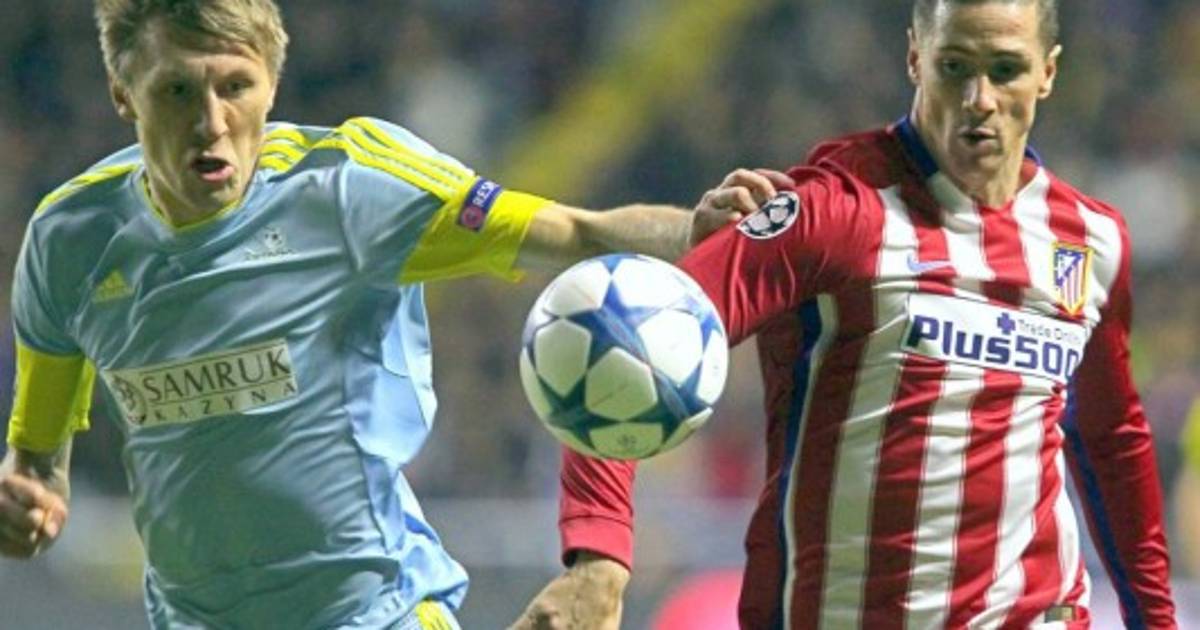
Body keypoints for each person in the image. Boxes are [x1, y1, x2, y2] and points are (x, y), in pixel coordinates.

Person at [0, 1, 761, 628]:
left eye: (235, 87)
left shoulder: (347, 189)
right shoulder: (69, 241)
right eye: (176, 91)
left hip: (377, 613)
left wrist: (697, 230)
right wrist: (27, 499)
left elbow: (578, 230)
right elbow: (35, 462)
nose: (211, 122)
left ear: (272, 85)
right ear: (122, 92)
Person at [517, 0, 1179, 628]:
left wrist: (1156, 619)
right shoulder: (832, 210)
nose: (980, 98)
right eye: (955, 66)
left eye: (1005, 69)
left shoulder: (1090, 240)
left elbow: (1112, 440)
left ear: (1048, 73)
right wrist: (598, 561)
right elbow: (629, 337)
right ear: (916, 57)